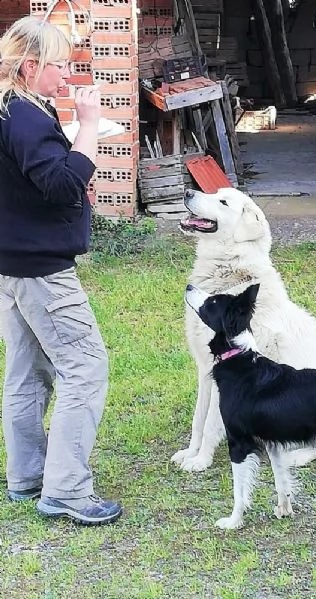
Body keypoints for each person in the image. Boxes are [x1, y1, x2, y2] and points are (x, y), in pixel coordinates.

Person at [0, 16, 122, 525]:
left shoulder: (10, 110)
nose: (67, 75)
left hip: (12, 264)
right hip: (42, 271)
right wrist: (89, 126)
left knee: (26, 373)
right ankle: (67, 489)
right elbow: (60, 185)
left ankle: (27, 475)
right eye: (59, 65)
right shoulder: (26, 117)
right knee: (85, 368)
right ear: (30, 66)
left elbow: (35, 183)